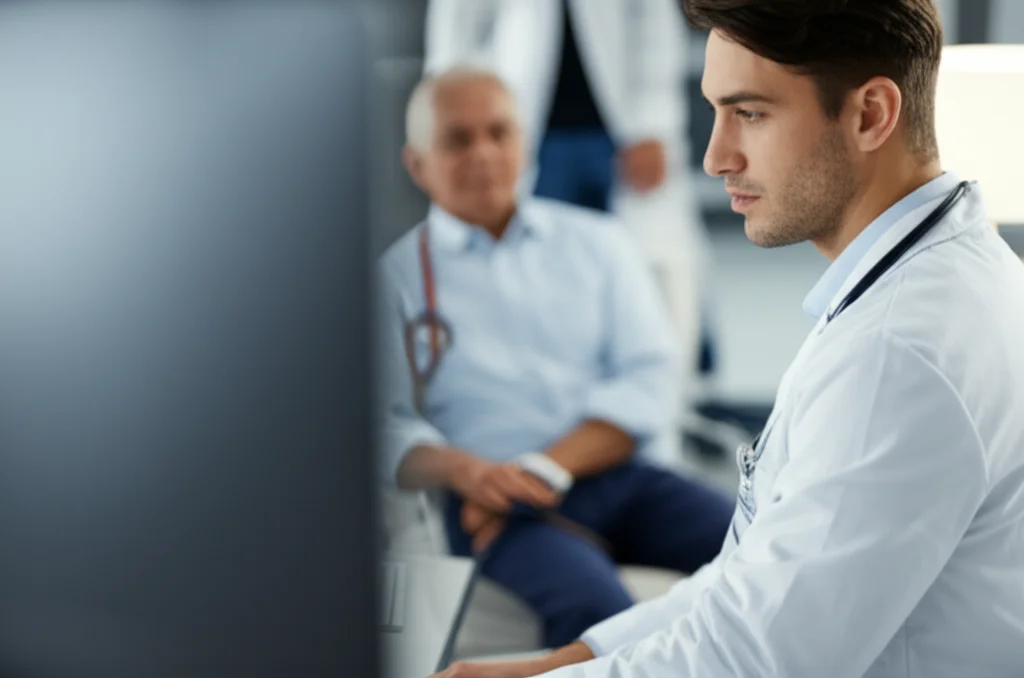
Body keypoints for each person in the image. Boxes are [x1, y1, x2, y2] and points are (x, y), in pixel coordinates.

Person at [430, 0, 1024, 676]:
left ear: (870, 115)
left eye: (750, 114)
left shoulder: (899, 352)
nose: (714, 156)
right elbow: (752, 579)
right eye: (714, 111)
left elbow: (750, 658)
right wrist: (559, 662)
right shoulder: (934, 280)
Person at [377, 66, 735, 651]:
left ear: (525, 141)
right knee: (597, 610)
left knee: (756, 544)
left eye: (499, 133)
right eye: (458, 139)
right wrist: (470, 473)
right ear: (417, 164)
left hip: (611, 475)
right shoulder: (393, 280)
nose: (484, 154)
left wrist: (541, 469)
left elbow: (648, 380)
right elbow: (379, 425)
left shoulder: (598, 244)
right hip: (490, 503)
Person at [424, 0, 714, 401]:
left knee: (646, 274)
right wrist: (444, 123)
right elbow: (456, 29)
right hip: (527, 130)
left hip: (618, 129)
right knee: (539, 282)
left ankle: (657, 405)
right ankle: (560, 405)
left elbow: (653, 23)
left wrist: (654, 125)